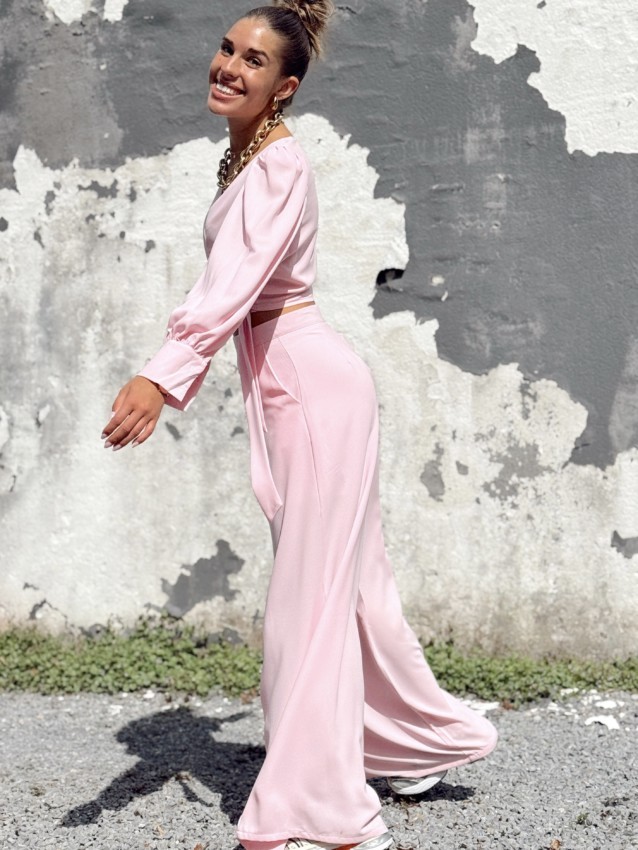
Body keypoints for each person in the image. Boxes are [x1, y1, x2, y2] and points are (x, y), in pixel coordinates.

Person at [101, 2, 498, 849]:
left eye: (253, 60)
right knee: (347, 587)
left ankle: (329, 811)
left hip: (311, 392)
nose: (229, 66)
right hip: (301, 385)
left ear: (282, 88)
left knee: (306, 603)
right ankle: (417, 744)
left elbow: (232, 285)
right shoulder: (247, 155)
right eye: (226, 48)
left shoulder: (277, 163)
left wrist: (162, 374)